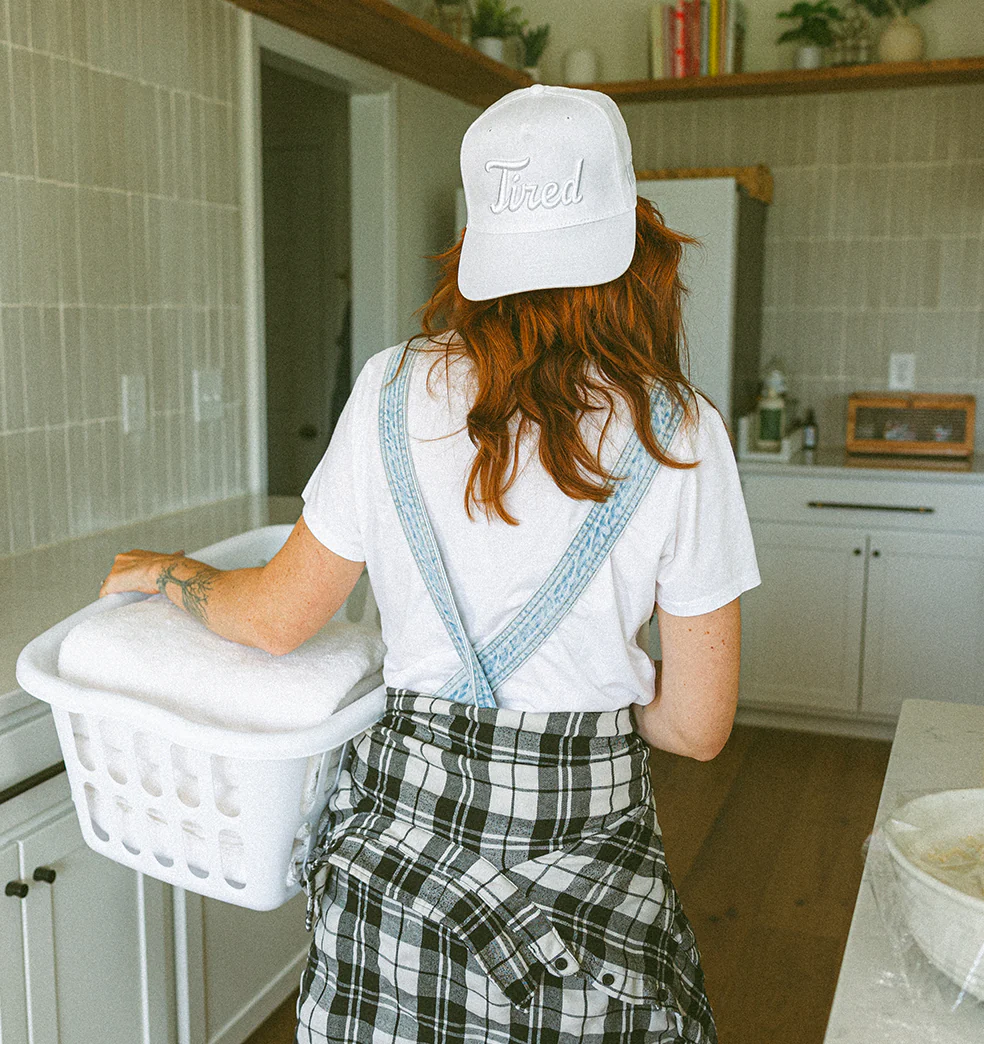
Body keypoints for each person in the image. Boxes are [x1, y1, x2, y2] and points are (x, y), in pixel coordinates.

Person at [101, 85, 760, 1044]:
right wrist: (596, 688)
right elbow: (695, 728)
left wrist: (170, 573)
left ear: (476, 251)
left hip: (398, 867)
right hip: (585, 872)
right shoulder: (681, 429)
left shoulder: (390, 387)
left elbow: (274, 618)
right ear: (634, 242)